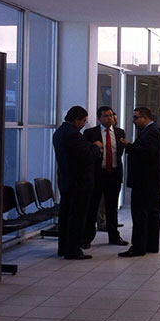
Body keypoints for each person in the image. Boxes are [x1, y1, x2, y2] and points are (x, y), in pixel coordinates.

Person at [52, 106, 102, 259]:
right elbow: (85, 156)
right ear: (76, 120)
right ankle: (73, 250)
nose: (83, 124)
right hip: (79, 183)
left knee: (66, 216)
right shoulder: (73, 135)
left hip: (67, 181)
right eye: (83, 121)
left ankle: (64, 247)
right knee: (77, 217)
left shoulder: (60, 132)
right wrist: (96, 147)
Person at [119, 107, 160, 257]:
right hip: (151, 180)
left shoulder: (152, 132)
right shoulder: (151, 131)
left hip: (146, 181)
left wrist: (128, 146)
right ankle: (150, 245)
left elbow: (148, 154)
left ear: (145, 118)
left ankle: (138, 247)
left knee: (141, 214)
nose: (134, 121)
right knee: (151, 213)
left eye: (136, 118)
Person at [82, 106, 128, 247]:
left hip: (113, 174)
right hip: (97, 174)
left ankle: (114, 237)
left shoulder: (120, 132)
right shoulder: (90, 133)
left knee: (112, 208)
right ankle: (87, 238)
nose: (110, 118)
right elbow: (86, 154)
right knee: (92, 207)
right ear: (99, 118)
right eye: (106, 116)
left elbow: (119, 152)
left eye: (111, 115)